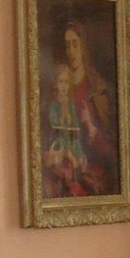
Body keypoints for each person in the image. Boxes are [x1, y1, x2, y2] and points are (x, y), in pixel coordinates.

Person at [60, 19, 115, 195]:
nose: (71, 51)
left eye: (75, 44)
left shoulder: (98, 89)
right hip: (68, 164)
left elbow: (110, 148)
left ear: (82, 46)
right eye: (67, 45)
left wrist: (91, 127)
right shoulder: (60, 85)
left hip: (93, 167)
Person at [43, 62, 89, 197]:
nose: (64, 86)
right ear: (55, 84)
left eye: (66, 82)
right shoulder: (53, 105)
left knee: (82, 166)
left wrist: (80, 154)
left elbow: (75, 134)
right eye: (61, 82)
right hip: (58, 146)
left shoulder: (72, 107)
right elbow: (55, 129)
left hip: (72, 146)